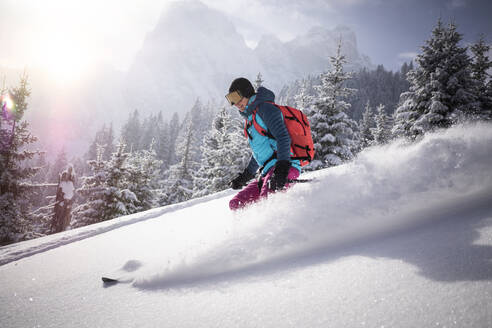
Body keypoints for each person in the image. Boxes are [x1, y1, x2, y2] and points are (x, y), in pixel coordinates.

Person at [226, 77, 301, 210]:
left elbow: (283, 137)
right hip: (267, 173)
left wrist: (282, 168)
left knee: (269, 201)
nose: (235, 104)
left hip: (284, 167)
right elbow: (260, 153)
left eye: (237, 97)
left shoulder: (265, 108)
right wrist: (245, 176)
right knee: (236, 203)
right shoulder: (250, 120)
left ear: (246, 92)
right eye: (231, 100)